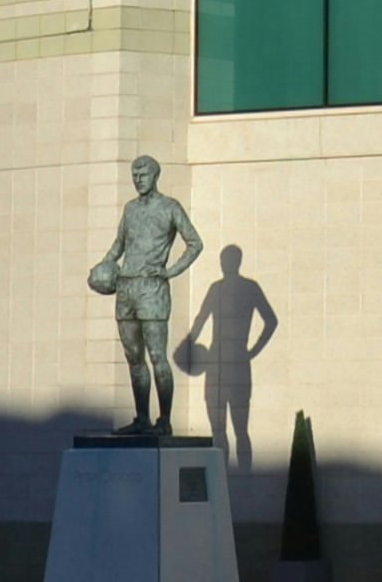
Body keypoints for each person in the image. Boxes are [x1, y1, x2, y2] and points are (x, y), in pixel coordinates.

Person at [84, 155, 204, 437]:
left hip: (152, 290)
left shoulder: (169, 207)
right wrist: (101, 270)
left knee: (157, 355)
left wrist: (170, 271)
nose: (138, 179)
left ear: (155, 176)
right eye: (134, 174)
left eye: (143, 174)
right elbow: (118, 248)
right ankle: (141, 418)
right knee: (133, 356)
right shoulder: (130, 210)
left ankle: (164, 420)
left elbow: (195, 243)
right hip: (126, 289)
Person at [175, 244, 281, 466]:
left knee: (236, 429)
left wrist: (254, 350)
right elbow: (201, 320)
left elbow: (271, 321)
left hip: (231, 362)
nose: (225, 265)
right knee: (221, 430)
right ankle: (228, 479)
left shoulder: (241, 288)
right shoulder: (224, 288)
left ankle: (243, 479)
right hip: (222, 363)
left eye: (227, 261)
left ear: (234, 263)